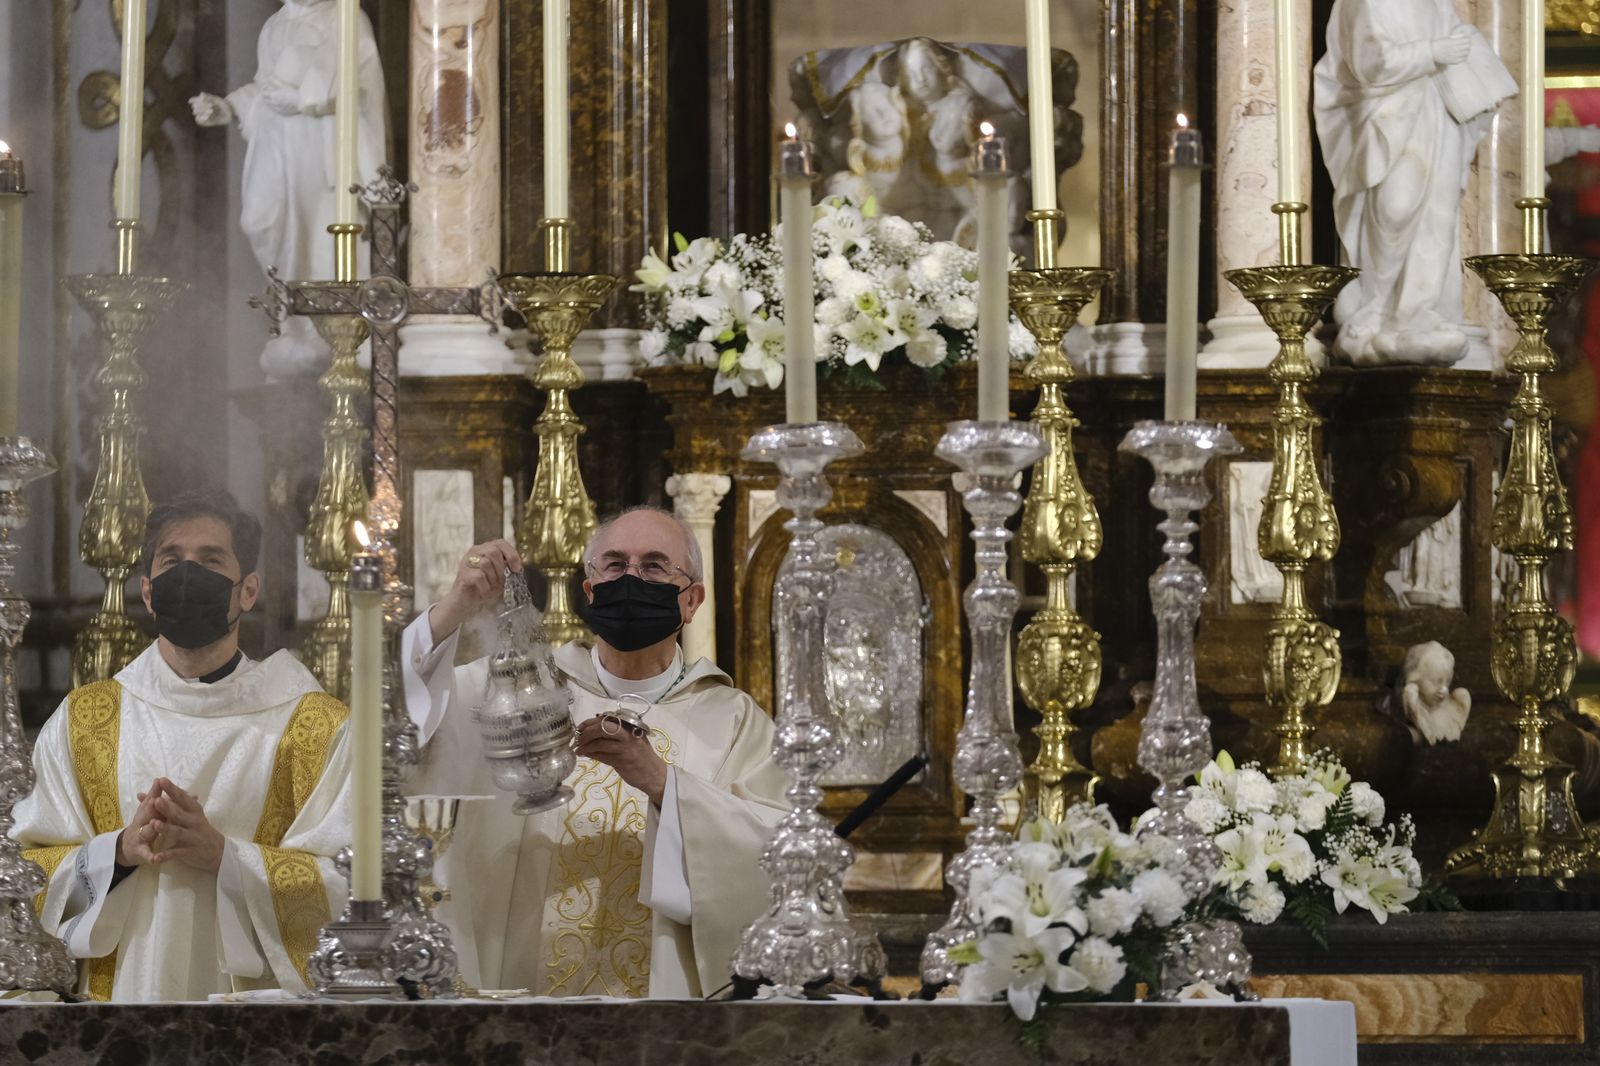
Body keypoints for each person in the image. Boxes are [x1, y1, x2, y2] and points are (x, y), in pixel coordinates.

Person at [401, 507, 788, 997]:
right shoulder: (521, 687)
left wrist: (666, 787)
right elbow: (404, 722)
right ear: (590, 592)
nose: (631, 578)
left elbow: (777, 856)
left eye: (652, 566)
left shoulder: (733, 720)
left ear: (691, 601)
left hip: (668, 1020)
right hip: (524, 1001)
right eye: (614, 565)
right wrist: (457, 605)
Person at [12, 490, 353, 1001]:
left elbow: (355, 890)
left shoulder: (312, 725)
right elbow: (19, 876)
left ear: (248, 590)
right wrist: (119, 853)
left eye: (211, 560)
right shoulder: (85, 722)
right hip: (120, 1005)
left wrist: (224, 858)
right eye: (173, 561)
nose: (189, 574)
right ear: (148, 592)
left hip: (256, 1018)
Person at [189, 0, 387, 378]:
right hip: (278, 149)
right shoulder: (274, 25)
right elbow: (266, 89)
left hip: (327, 153)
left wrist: (302, 100)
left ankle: (337, 333)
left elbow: (360, 82)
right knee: (259, 220)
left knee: (325, 237)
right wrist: (228, 107)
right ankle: (296, 327)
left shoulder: (347, 18)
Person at [1313, 0, 1516, 366]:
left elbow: (1458, 43)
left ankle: (1418, 313)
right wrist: (1432, 51)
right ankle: (1374, 308)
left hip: (1437, 115)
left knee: (1437, 219)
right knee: (1394, 210)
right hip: (1389, 120)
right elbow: (1370, 62)